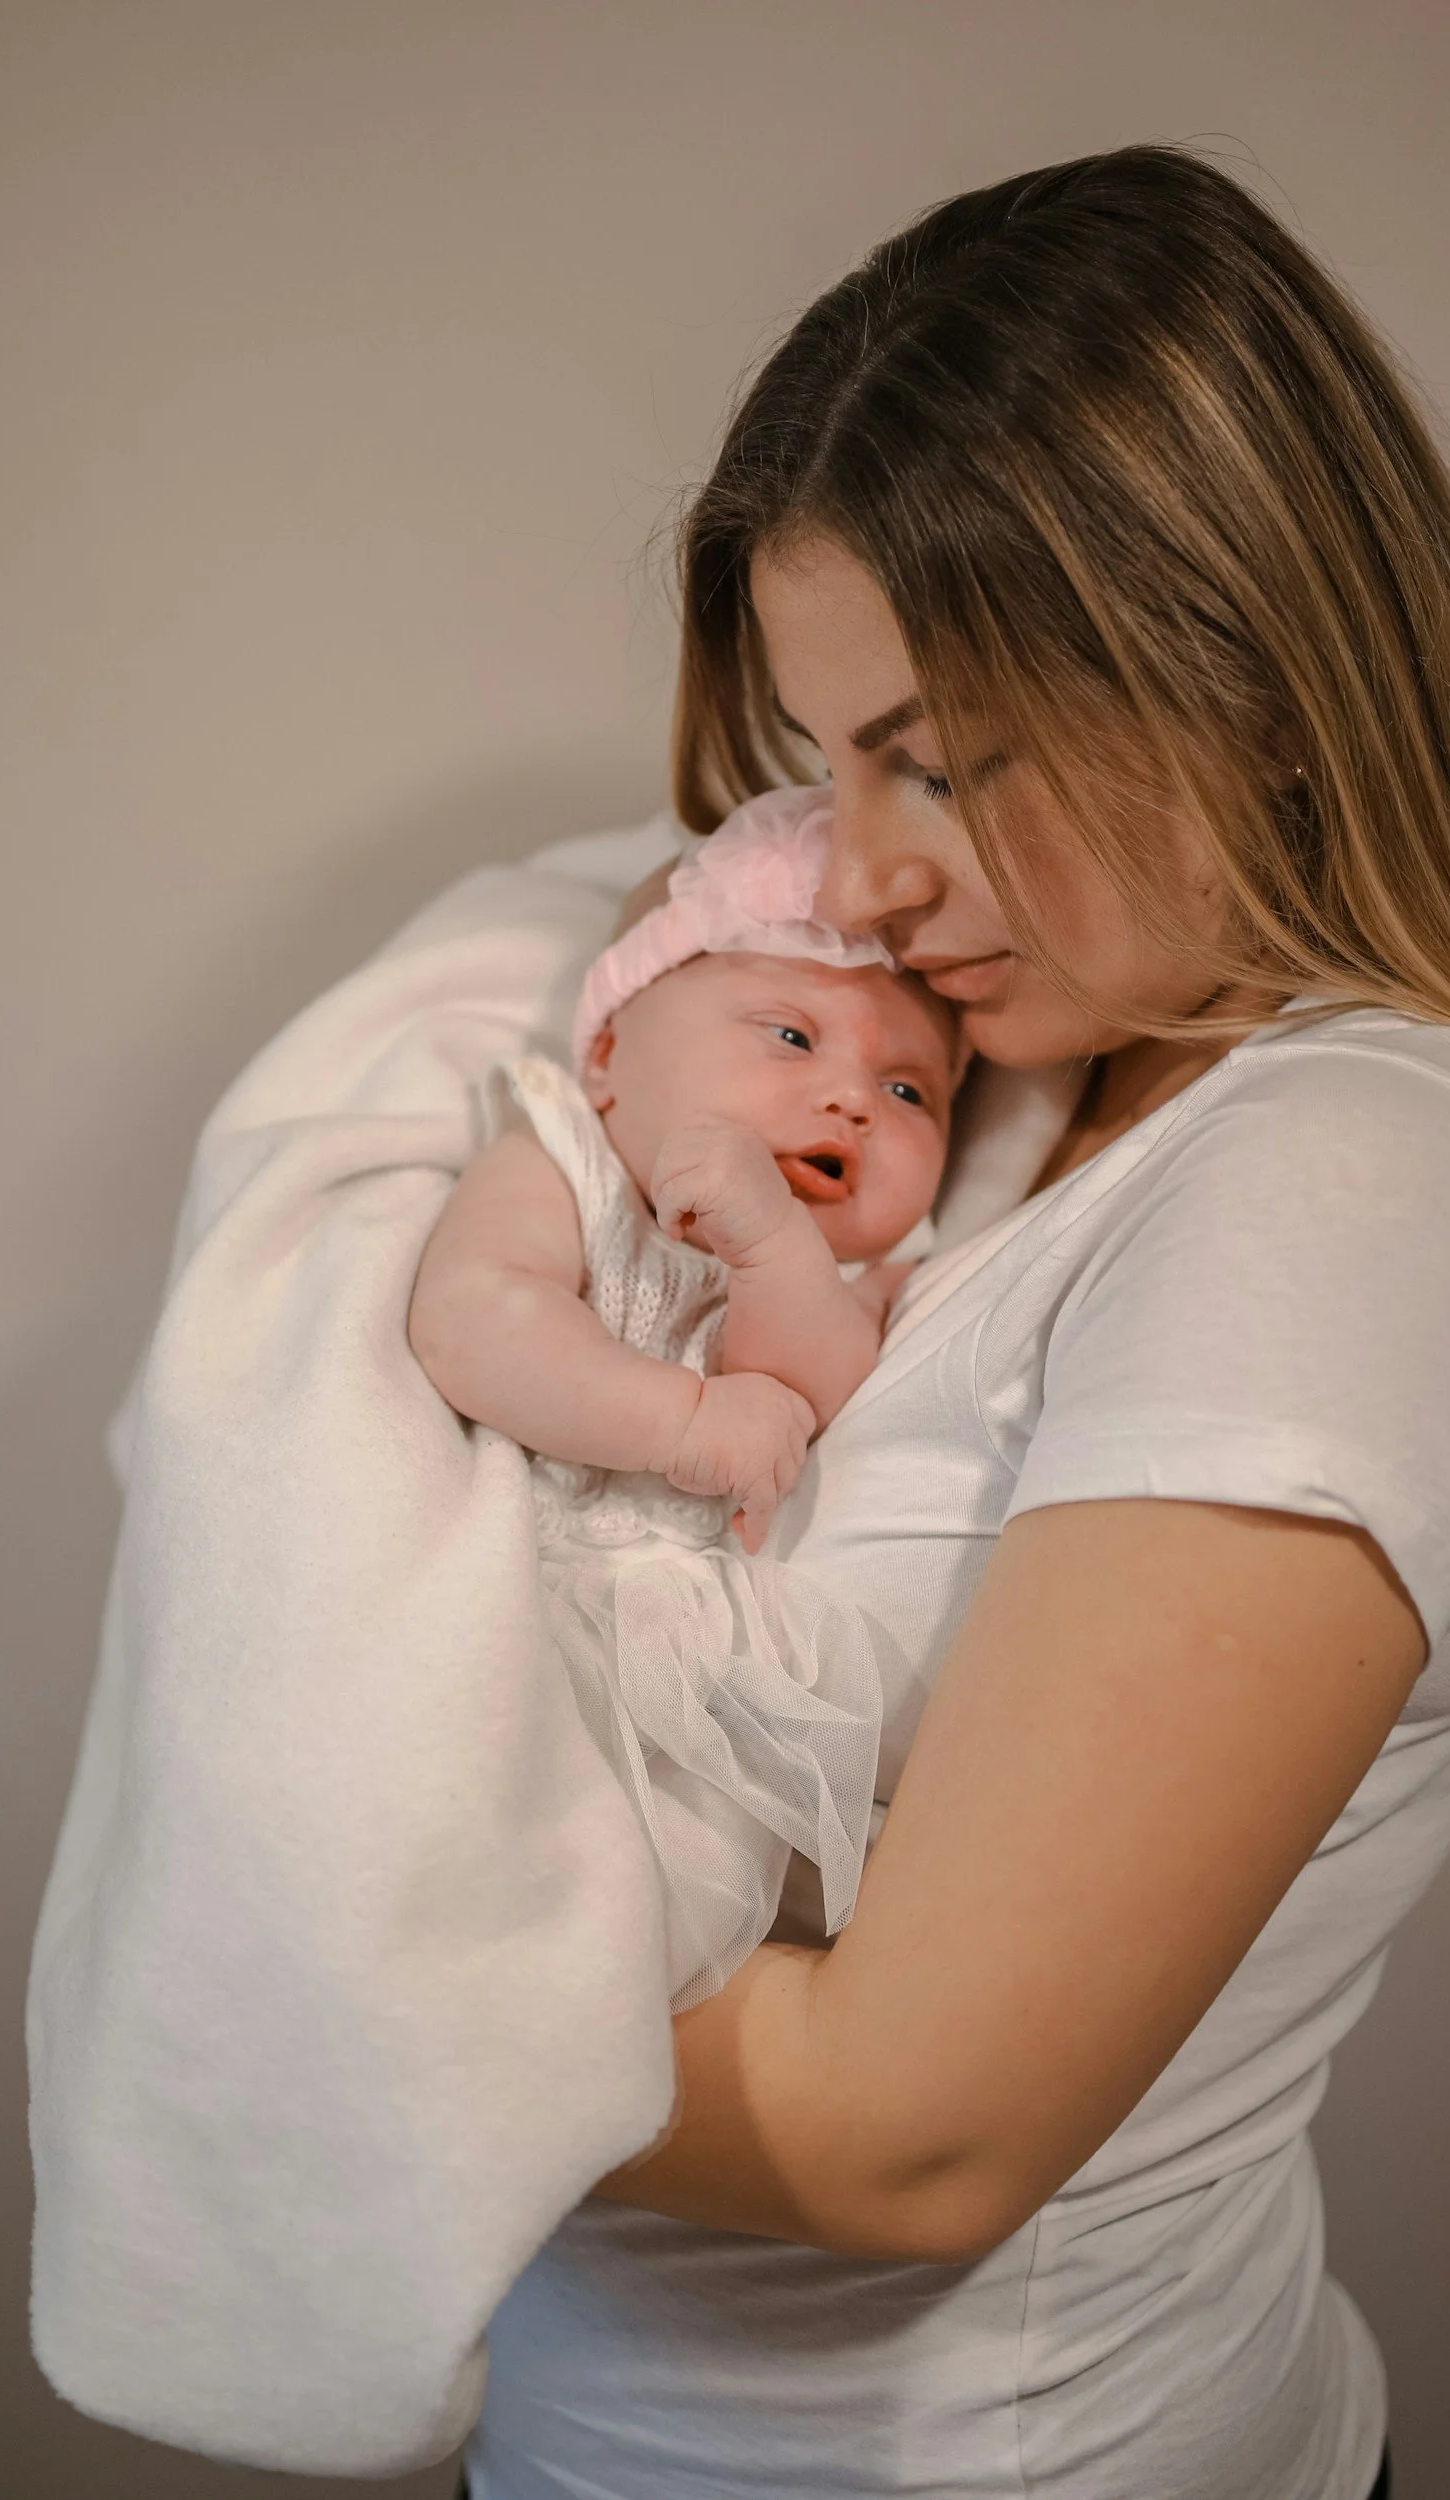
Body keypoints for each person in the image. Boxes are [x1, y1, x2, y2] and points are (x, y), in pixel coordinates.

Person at [460, 146, 1450, 2500]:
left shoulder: (1356, 1183)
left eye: (942, 750)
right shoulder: (1011, 1089)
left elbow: (913, 2133)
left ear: (1265, 677)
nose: (867, 872)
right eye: (831, 763)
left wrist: (275, 1963)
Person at [409, 784, 963, 2008]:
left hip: (700, 1673)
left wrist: (777, 1254)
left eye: (912, 1091)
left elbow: (813, 1390)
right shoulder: (563, 1160)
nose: (851, 1098)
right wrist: (679, 1419)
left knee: (645, 1953)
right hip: (514, 1611)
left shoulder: (864, 1278)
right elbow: (473, 1320)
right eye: (787, 1035)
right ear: (606, 1055)